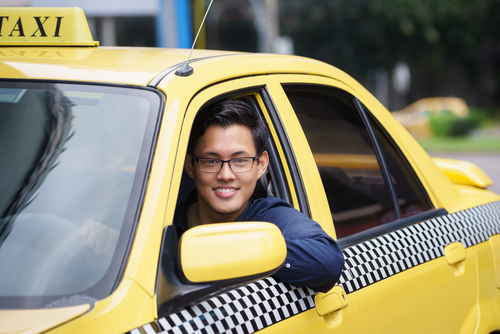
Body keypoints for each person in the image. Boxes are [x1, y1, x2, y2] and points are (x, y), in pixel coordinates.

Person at [174, 99, 344, 293]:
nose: (226, 175)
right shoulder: (161, 224)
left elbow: (328, 262)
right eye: (211, 161)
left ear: (261, 165)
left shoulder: (271, 217)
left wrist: (237, 248)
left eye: (240, 160)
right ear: (190, 165)